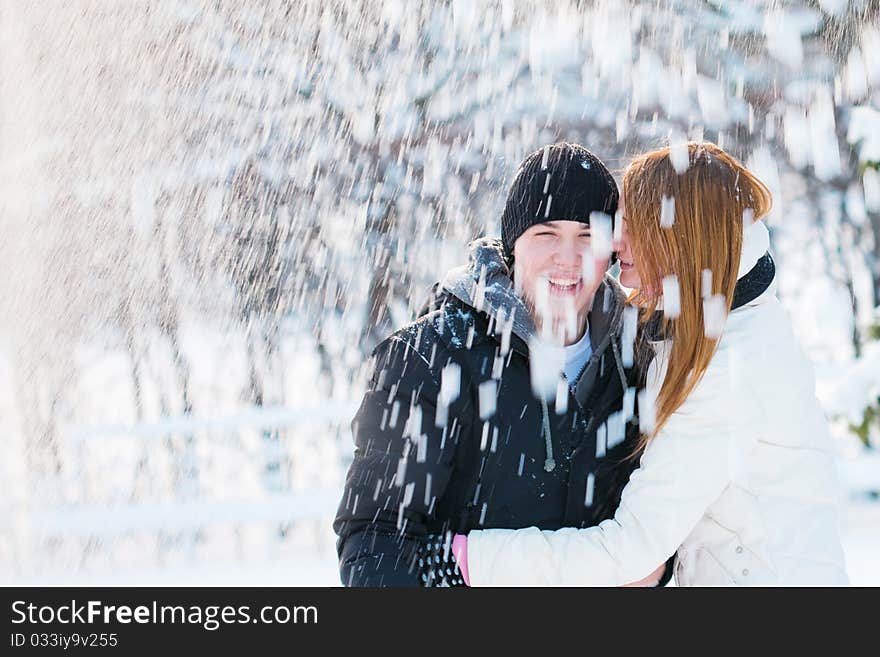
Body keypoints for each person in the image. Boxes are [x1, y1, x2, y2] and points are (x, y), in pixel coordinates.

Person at [453, 142, 850, 586]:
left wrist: (471, 560)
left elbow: (632, 547)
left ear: (682, 235)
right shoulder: (703, 324)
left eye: (634, 223)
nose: (614, 238)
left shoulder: (729, 367)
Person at [333, 142, 669, 586]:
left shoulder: (644, 358)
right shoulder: (429, 360)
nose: (568, 258)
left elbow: (668, 528)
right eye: (546, 234)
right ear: (513, 246)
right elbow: (373, 544)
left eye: (589, 236)